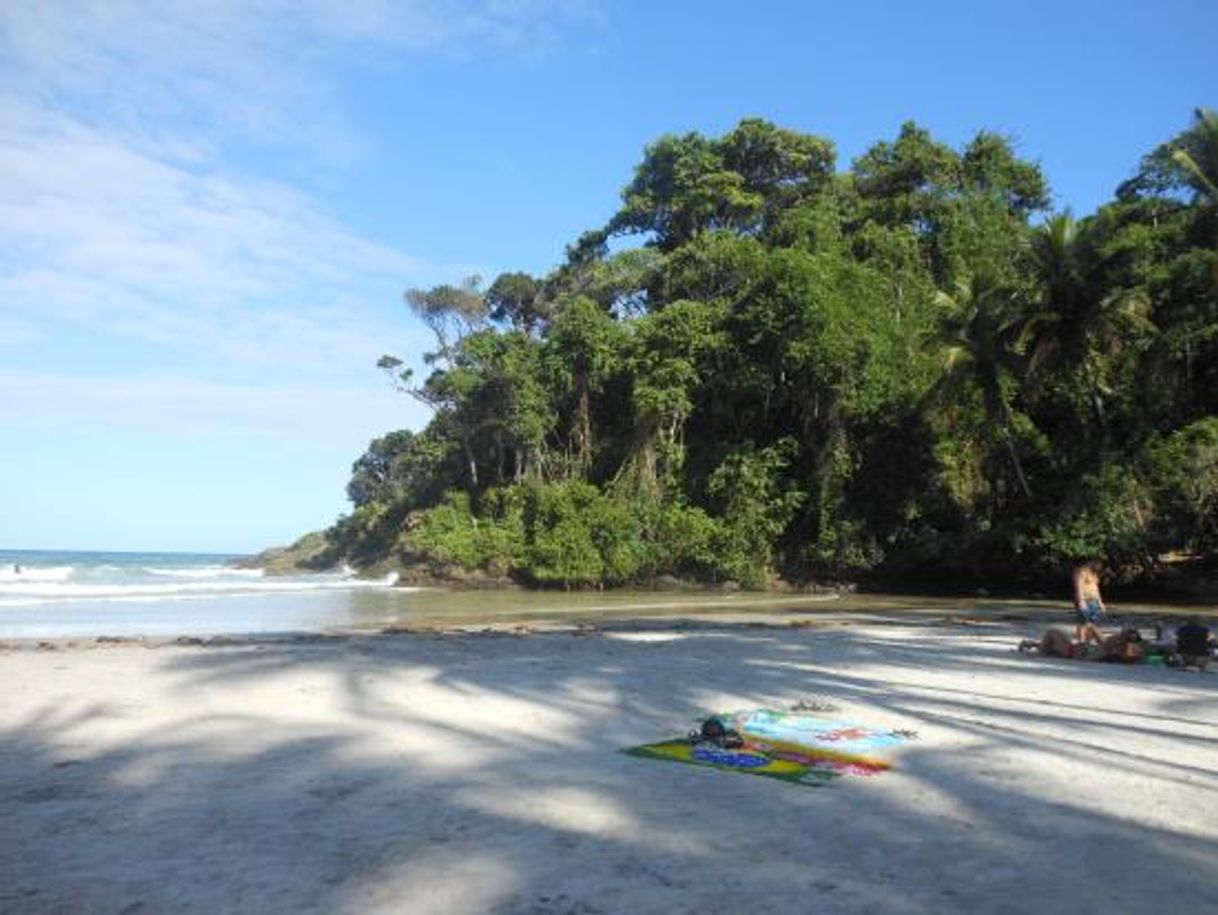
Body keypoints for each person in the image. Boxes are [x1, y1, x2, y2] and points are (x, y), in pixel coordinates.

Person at [1072, 561, 1107, 644]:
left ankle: (1088, 641)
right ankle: (1082, 642)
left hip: (1094, 601)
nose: (1099, 568)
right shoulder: (1082, 571)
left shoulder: (1094, 574)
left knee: (1093, 623)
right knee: (1083, 622)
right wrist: (1081, 601)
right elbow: (1079, 587)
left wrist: (1100, 602)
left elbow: (1096, 589)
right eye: (1098, 565)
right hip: (1085, 600)